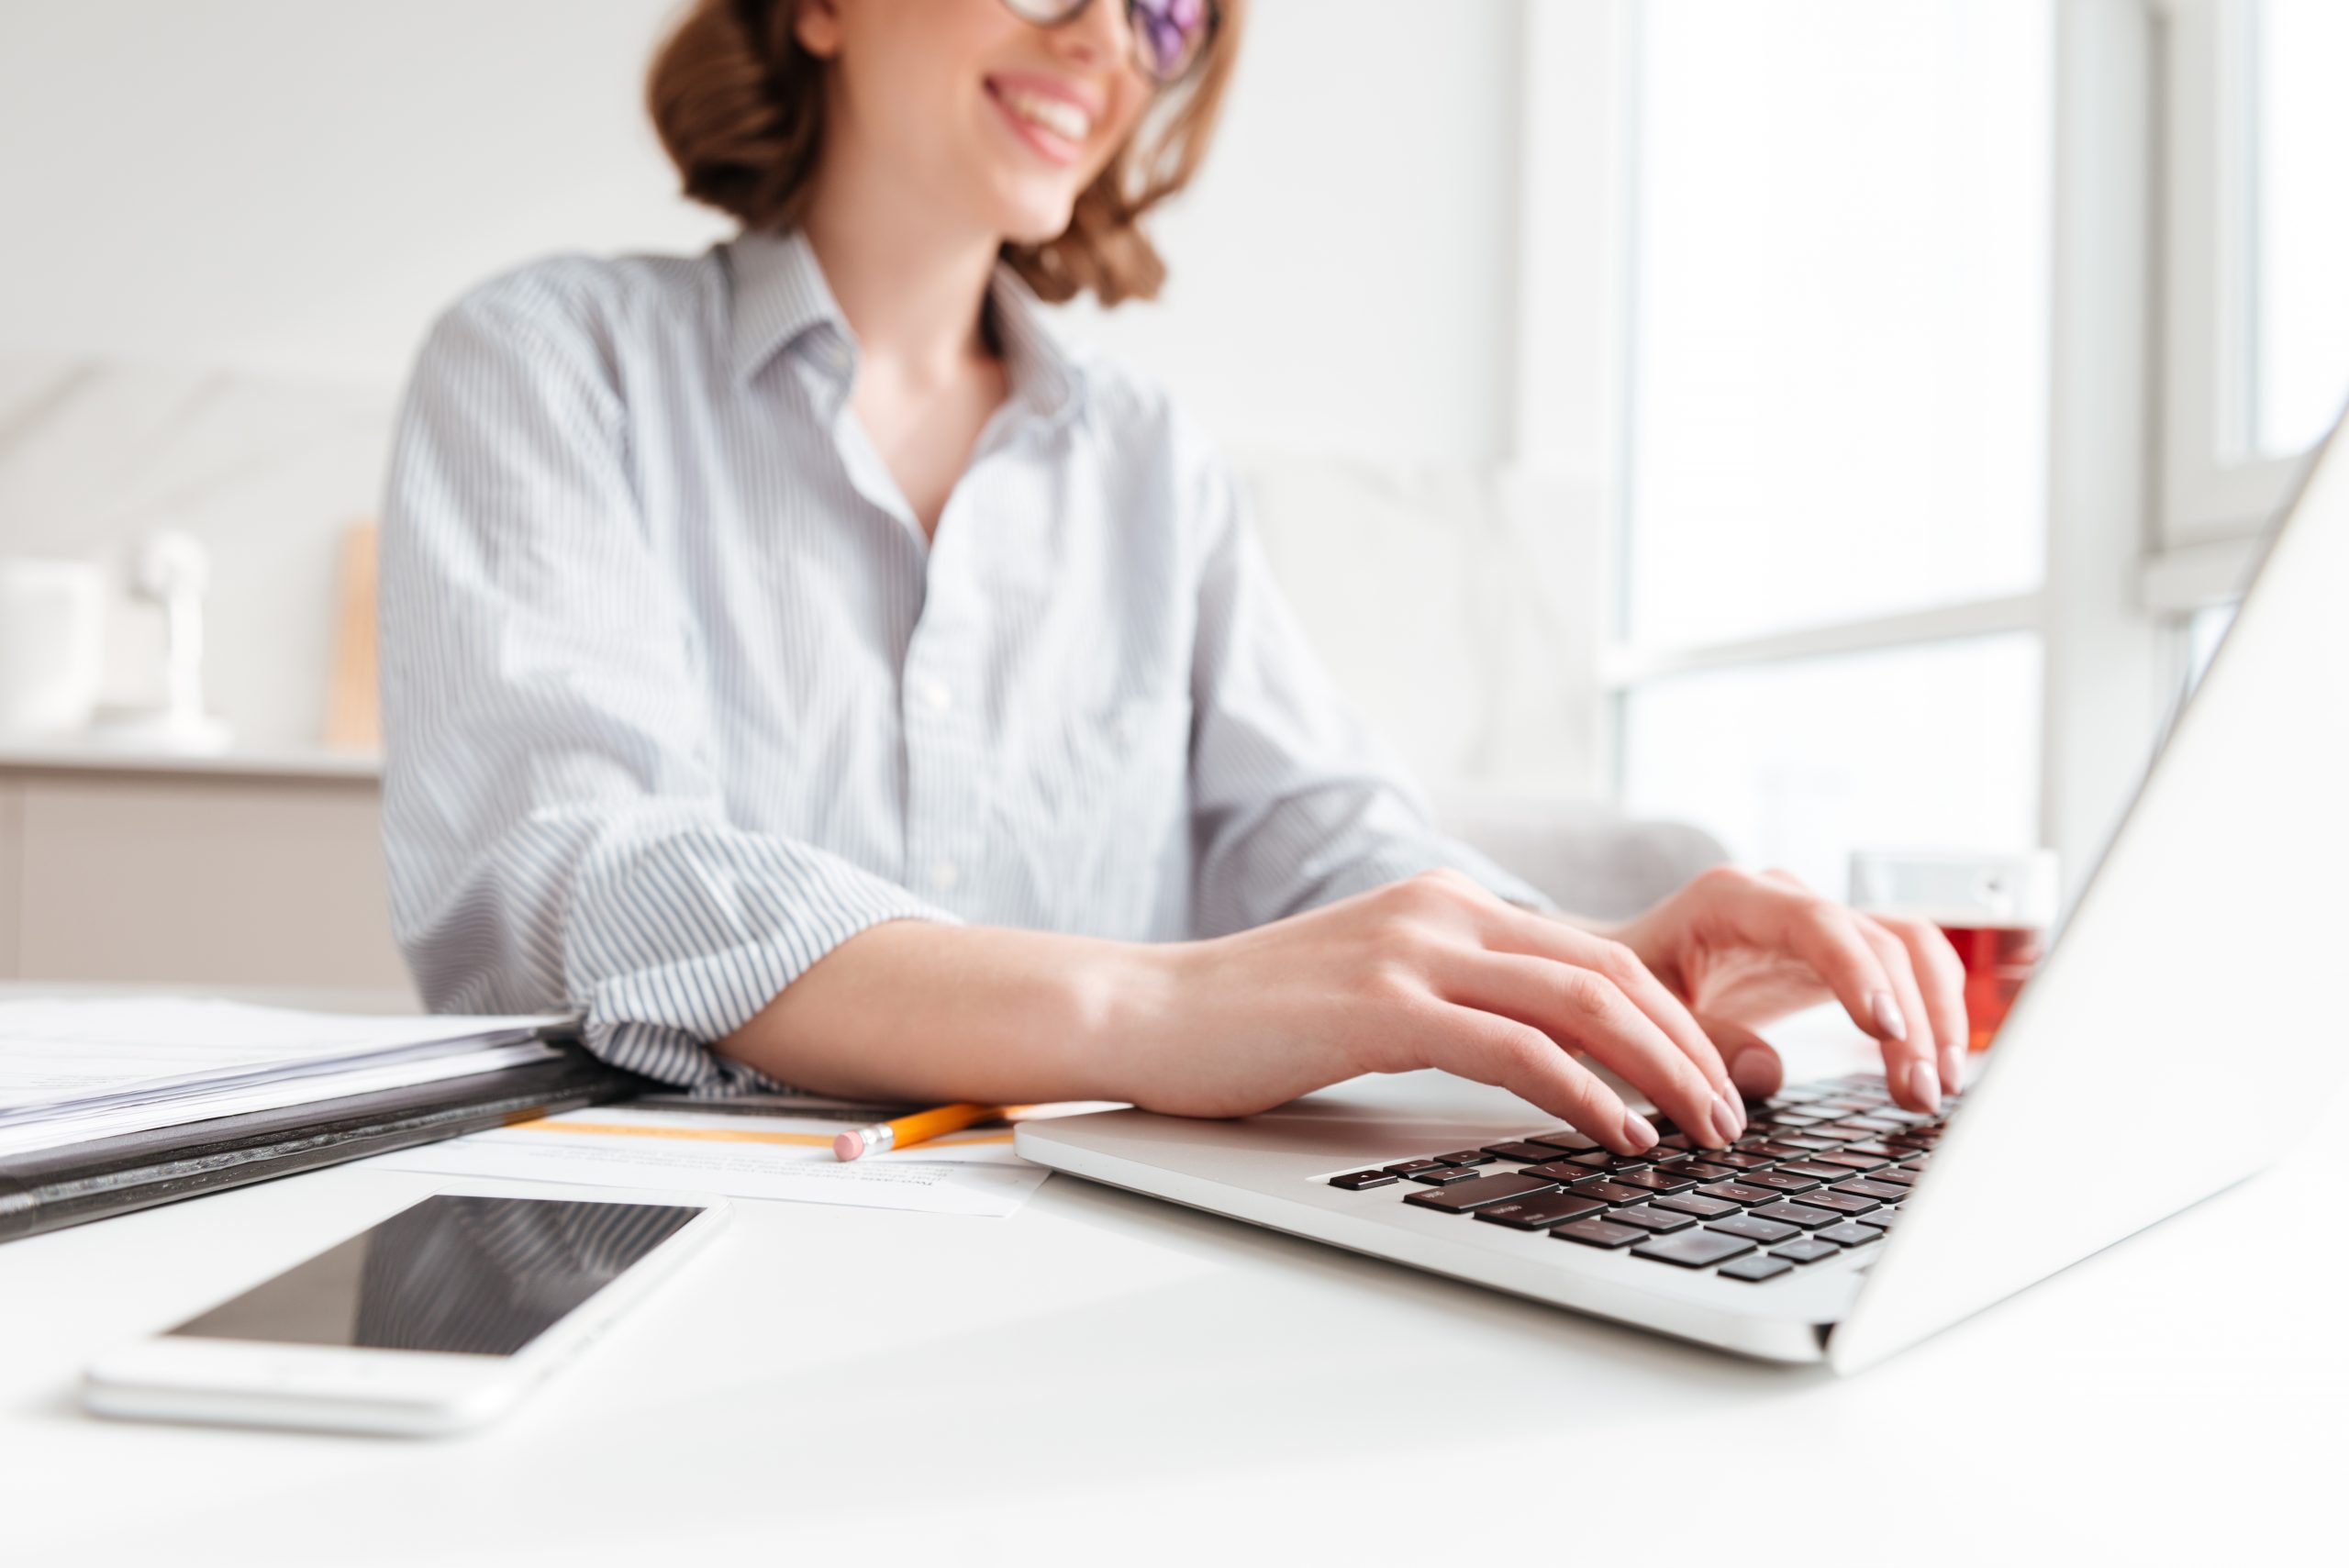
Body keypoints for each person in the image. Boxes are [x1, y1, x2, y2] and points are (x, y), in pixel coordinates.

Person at [379, 0, 1968, 1161]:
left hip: (1095, 1251)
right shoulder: (543, 364)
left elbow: (1325, 838)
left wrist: (1584, 966)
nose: (1102, 42)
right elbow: (575, 874)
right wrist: (1149, 1011)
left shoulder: (1150, 464)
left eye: (1161, 15)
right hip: (665, 1240)